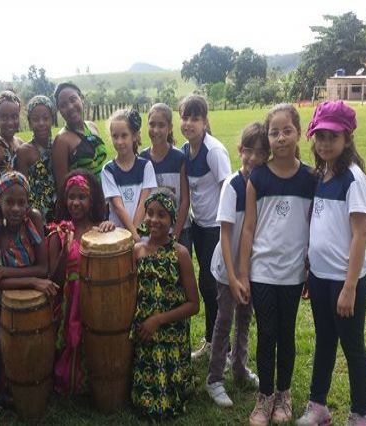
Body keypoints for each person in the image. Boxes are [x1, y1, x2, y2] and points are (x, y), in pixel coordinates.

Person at [237, 104, 317, 426]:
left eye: (287, 131)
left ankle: (284, 394)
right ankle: (265, 396)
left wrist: (311, 268)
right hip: (263, 271)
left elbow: (315, 226)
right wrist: (243, 272)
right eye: (274, 132)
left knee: (286, 333)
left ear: (298, 132)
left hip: (294, 272)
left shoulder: (311, 178)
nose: (280, 138)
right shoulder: (258, 177)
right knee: (266, 332)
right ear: (267, 137)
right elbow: (248, 228)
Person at [296, 101, 366, 426]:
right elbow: (317, 226)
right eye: (320, 135)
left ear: (347, 137)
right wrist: (309, 273)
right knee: (325, 340)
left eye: (333, 136)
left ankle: (359, 415)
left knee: (352, 346)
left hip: (346, 280)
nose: (325, 143)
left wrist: (350, 287)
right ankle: (318, 406)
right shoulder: (320, 175)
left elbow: (360, 234)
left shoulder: (352, 178)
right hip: (320, 277)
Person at [0, 171, 58, 411]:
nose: (16, 208)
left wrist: (3, 272)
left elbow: (42, 268)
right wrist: (28, 281)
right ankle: (3, 388)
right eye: (9, 202)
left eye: (22, 202)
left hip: (21, 288)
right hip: (4, 296)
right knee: (1, 340)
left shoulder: (35, 219)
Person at [205, 123, 268, 407]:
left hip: (251, 267)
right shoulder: (232, 185)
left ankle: (240, 368)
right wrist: (232, 276)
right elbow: (226, 233)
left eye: (261, 152)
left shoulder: (264, 183)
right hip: (227, 268)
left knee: (245, 317)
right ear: (240, 151)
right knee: (224, 319)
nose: (254, 158)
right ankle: (214, 379)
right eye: (249, 151)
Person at [130, 189, 199, 418]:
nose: (153, 220)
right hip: (144, 334)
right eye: (149, 213)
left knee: (166, 406)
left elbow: (193, 305)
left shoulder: (180, 254)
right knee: (143, 403)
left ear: (172, 219)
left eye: (161, 215)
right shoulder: (137, 250)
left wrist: (158, 320)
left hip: (170, 333)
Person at [47, 170, 114, 395]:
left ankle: (92, 380)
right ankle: (67, 380)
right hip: (67, 301)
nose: (76, 202)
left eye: (82, 197)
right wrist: (65, 252)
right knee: (68, 338)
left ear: (92, 199)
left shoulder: (100, 229)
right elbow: (53, 279)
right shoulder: (58, 232)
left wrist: (108, 231)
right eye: (71, 197)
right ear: (65, 200)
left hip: (92, 299)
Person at [178, 94, 232, 360]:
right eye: (185, 117)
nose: (189, 123)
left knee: (213, 287)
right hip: (199, 227)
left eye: (195, 118)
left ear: (204, 121)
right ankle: (213, 341)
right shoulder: (186, 151)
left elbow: (228, 190)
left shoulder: (214, 152)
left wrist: (226, 233)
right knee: (206, 286)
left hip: (215, 230)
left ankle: (223, 346)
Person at [140, 103, 191, 252]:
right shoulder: (142, 159)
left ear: (169, 128)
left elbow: (184, 200)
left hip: (180, 231)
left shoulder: (179, 158)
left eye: (161, 125)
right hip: (154, 231)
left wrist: (174, 236)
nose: (156, 130)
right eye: (152, 124)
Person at [101, 109, 157, 241]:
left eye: (124, 135)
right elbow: (118, 207)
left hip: (142, 237)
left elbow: (143, 203)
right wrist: (132, 235)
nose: (119, 142)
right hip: (118, 237)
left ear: (135, 136)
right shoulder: (108, 170)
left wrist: (135, 234)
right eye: (115, 136)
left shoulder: (146, 166)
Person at [52, 82, 107, 189]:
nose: (70, 107)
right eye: (63, 105)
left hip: (106, 197)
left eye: (73, 100)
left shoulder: (92, 127)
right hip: (84, 202)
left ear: (81, 98)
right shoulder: (61, 141)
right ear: (59, 111)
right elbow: (62, 188)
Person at [13, 95, 57, 223]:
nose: (41, 123)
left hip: (58, 209)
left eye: (46, 118)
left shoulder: (58, 146)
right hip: (34, 215)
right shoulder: (24, 152)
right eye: (36, 119)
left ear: (53, 119)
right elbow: (22, 189)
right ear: (30, 122)